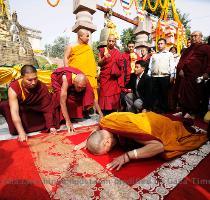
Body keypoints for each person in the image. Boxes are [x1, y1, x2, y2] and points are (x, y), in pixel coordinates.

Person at [75, 112, 208, 171]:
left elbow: (159, 146)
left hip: (158, 124)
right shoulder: (105, 121)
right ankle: (180, 117)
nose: (111, 151)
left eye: (108, 150)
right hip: (146, 116)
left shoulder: (130, 131)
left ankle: (183, 120)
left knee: (168, 151)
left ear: (107, 142)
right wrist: (87, 141)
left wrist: (127, 156)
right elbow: (96, 130)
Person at [0, 65, 56, 142]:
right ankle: (20, 128)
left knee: (52, 106)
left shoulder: (41, 86)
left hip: (35, 111)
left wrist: (51, 126)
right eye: (29, 80)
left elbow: (47, 108)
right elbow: (14, 112)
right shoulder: (14, 87)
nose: (33, 83)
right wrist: (21, 132)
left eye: (35, 79)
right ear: (22, 77)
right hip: (22, 112)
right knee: (5, 105)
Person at [64, 29, 102, 118]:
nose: (88, 38)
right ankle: (76, 113)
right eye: (87, 36)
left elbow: (90, 61)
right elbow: (65, 57)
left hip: (89, 74)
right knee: (77, 94)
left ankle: (88, 111)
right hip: (78, 74)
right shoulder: (72, 46)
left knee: (92, 93)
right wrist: (67, 70)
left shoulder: (88, 47)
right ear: (80, 36)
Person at [175, 31, 210, 119]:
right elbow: (182, 61)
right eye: (192, 36)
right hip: (185, 76)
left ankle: (193, 113)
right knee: (184, 95)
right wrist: (181, 69)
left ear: (201, 37)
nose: (193, 38)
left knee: (195, 95)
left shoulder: (206, 47)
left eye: (195, 36)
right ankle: (184, 111)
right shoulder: (188, 49)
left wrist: (207, 73)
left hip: (197, 76)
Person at [51, 67, 98, 132]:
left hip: (75, 83)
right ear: (73, 82)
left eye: (82, 88)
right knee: (59, 95)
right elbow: (62, 102)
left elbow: (92, 96)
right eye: (79, 87)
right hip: (58, 83)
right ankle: (62, 118)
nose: (80, 90)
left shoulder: (85, 80)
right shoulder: (66, 80)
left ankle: (72, 116)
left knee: (81, 95)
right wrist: (68, 121)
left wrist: (100, 114)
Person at [98, 34, 124, 115]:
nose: (111, 43)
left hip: (114, 78)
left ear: (115, 42)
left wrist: (119, 63)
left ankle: (113, 113)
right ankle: (104, 113)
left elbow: (121, 65)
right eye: (109, 41)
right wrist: (104, 57)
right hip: (105, 77)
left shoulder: (118, 52)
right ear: (107, 41)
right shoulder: (102, 50)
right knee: (104, 94)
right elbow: (99, 63)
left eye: (113, 41)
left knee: (113, 96)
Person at [148, 38, 176, 113]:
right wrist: (149, 75)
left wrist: (172, 75)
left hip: (165, 77)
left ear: (165, 45)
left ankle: (164, 111)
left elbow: (172, 66)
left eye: (161, 43)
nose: (160, 45)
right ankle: (155, 110)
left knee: (164, 95)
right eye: (158, 44)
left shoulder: (169, 54)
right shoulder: (154, 55)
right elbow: (150, 66)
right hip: (154, 77)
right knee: (155, 94)